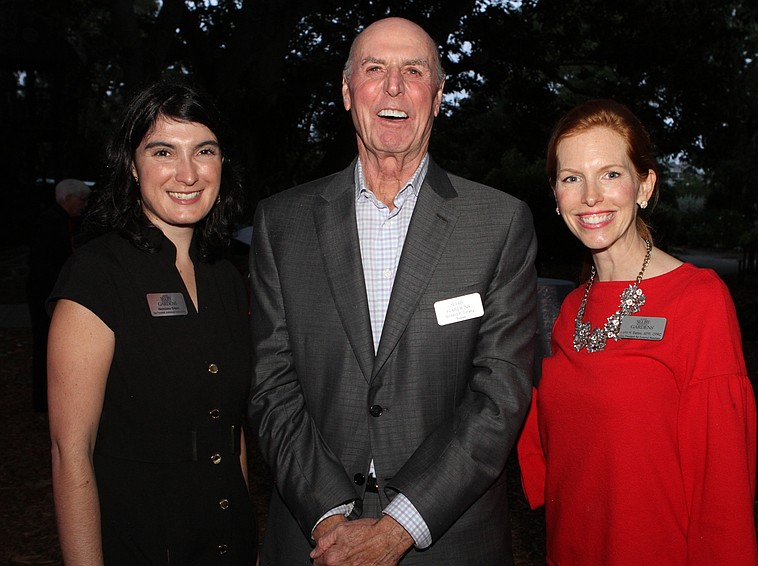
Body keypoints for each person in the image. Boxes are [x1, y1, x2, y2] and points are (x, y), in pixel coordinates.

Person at [249, 16, 538, 565]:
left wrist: (397, 527)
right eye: (374, 69)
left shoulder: (498, 223)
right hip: (316, 537)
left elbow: (500, 393)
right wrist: (332, 516)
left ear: (438, 96)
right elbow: (271, 385)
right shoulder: (281, 224)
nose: (394, 87)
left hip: (450, 538)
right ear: (345, 90)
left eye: (414, 71)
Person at [517, 99, 758, 564]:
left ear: (645, 185)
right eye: (572, 178)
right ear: (555, 196)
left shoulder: (698, 301)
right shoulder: (571, 309)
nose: (591, 196)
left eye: (610, 174)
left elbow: (722, 482)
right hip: (571, 548)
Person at [47, 80, 257, 565]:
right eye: (163, 151)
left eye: (204, 150)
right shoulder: (97, 276)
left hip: (225, 542)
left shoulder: (225, 278)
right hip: (141, 544)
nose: (187, 173)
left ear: (222, 164)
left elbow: (229, 430)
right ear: (131, 164)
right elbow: (70, 452)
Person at [26, 178, 90, 412]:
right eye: (81, 200)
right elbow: (46, 263)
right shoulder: (50, 222)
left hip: (50, 291)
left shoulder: (61, 221)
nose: (83, 205)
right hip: (46, 293)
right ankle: (43, 402)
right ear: (68, 198)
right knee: (45, 344)